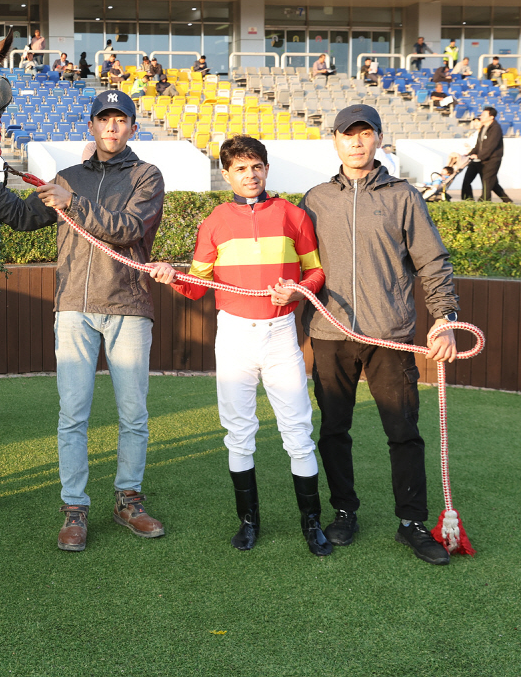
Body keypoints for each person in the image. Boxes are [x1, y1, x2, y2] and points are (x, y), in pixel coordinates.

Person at [0, 90, 166, 551]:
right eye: (104, 119)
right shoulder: (69, 177)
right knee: (72, 415)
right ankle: (74, 508)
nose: (112, 127)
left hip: (128, 306)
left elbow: (128, 229)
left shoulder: (147, 176)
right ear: (92, 127)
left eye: (121, 120)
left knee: (133, 414)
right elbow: (22, 216)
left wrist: (71, 202)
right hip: (73, 310)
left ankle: (128, 500)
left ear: (133, 128)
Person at [149, 136, 331, 556]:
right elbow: (197, 287)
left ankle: (312, 523)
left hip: (281, 333)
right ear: (226, 174)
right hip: (232, 335)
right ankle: (249, 521)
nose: (250, 175)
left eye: (257, 166)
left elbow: (316, 272)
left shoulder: (293, 215)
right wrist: (170, 275)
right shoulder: (213, 221)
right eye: (241, 168)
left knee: (298, 432)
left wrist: (299, 291)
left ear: (266, 169)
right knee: (239, 433)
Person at [299, 104, 460, 567]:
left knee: (404, 431)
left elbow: (432, 261)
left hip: (391, 334)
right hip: (329, 333)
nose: (356, 141)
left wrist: (444, 316)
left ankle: (412, 522)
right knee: (333, 430)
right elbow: (295, 262)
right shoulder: (314, 199)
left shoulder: (404, 195)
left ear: (378, 139)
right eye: (347, 134)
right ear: (334, 140)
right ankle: (344, 511)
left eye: (365, 133)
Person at [462, 106, 512, 203]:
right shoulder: (484, 128)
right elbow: (478, 145)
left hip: (491, 160)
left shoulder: (495, 129)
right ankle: (508, 201)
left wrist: (479, 156)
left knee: (487, 182)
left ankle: (484, 202)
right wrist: (470, 154)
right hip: (480, 159)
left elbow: (490, 146)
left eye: (484, 115)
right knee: (491, 183)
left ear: (491, 117)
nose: (481, 116)